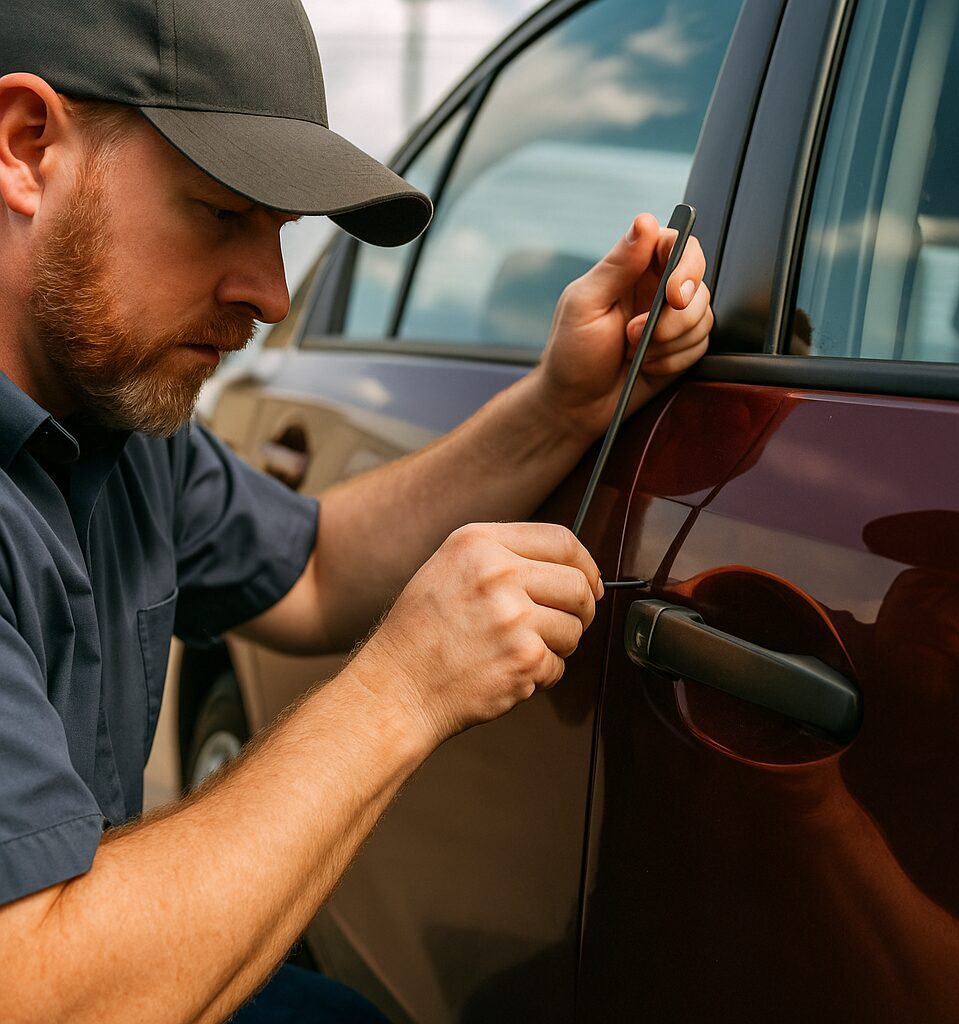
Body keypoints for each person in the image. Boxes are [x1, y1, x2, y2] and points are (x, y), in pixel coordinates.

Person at [0, 1, 713, 1021]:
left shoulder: (119, 421)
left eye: (283, 233)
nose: (274, 294)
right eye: (220, 211)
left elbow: (320, 568)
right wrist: (401, 690)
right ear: (29, 149)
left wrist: (560, 407)